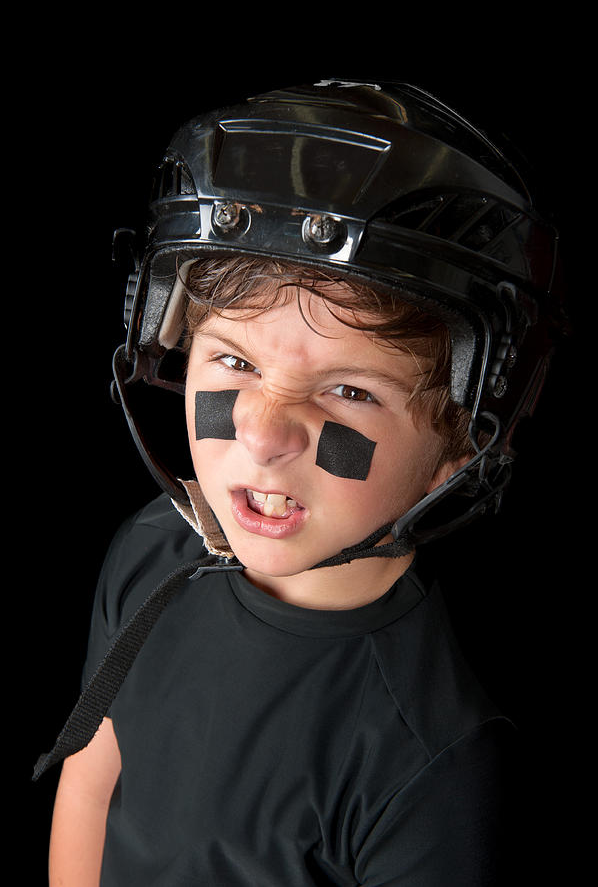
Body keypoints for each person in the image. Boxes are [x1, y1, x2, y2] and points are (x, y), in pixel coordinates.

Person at [39, 78, 567, 885]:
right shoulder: (151, 551)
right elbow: (91, 784)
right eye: (234, 361)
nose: (259, 429)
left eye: (349, 391)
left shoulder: (434, 762)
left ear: (464, 443)